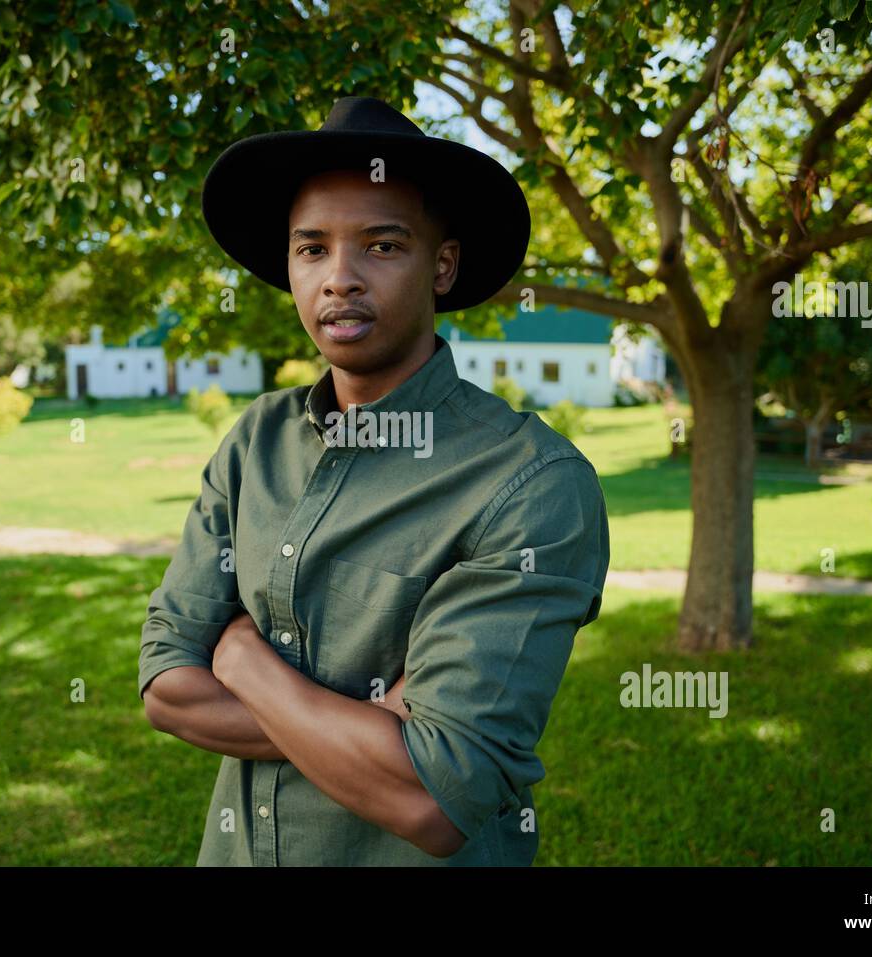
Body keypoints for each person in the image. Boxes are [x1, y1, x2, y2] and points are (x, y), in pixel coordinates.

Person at [138, 95, 610, 865]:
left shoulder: (530, 484)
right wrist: (376, 727)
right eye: (312, 248)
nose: (340, 279)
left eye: (383, 246)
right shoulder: (255, 441)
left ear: (443, 264)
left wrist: (240, 658)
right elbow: (164, 686)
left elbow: (432, 796)